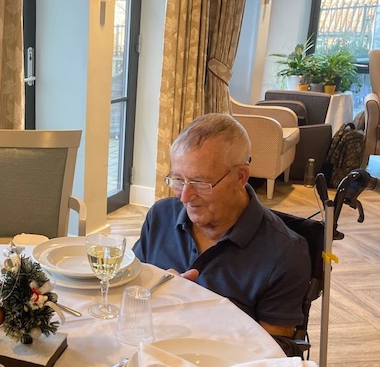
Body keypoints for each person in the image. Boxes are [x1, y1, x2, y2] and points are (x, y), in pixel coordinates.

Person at [132, 113, 310, 337]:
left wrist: (200, 314)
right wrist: (158, 292)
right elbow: (132, 289)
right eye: (178, 180)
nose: (185, 196)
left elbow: (275, 352)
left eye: (200, 182)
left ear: (240, 176)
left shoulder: (284, 253)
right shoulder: (161, 215)